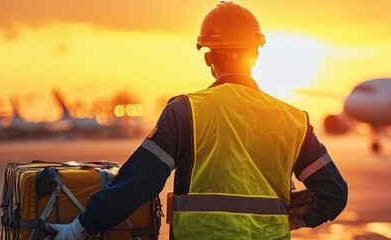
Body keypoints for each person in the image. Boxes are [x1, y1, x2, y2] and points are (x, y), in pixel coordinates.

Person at [47, 1, 349, 239]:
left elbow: (138, 183)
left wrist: (77, 229)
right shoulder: (293, 120)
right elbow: (333, 193)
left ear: (209, 57)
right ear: (256, 55)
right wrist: (288, 218)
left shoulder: (185, 111)